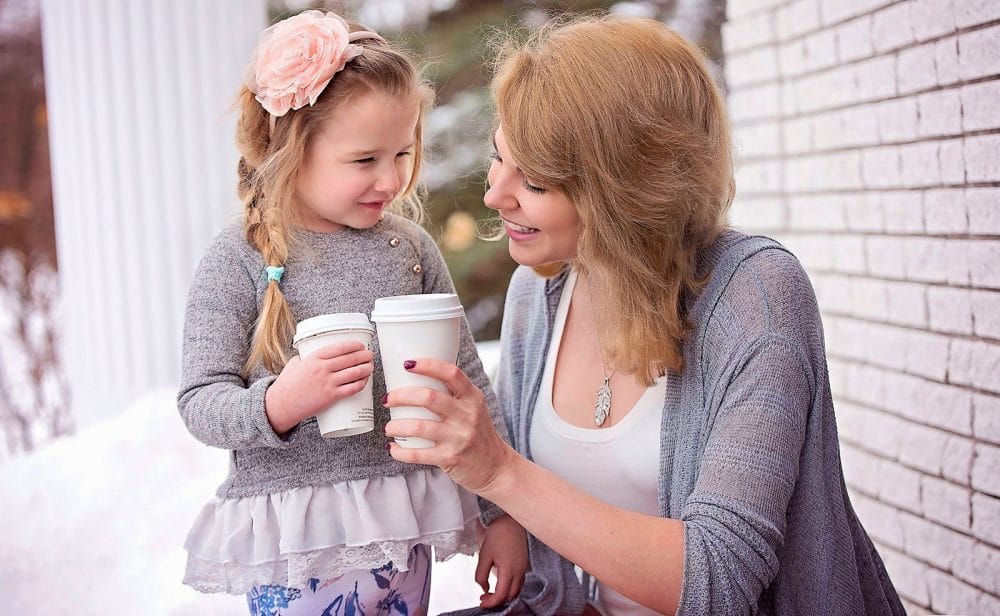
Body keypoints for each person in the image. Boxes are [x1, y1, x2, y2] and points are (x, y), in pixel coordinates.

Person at [383, 14, 906, 616]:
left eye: (536, 181)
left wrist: (501, 472)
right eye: (499, 159)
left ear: (623, 192)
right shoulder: (539, 289)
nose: (496, 194)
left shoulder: (756, 294)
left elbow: (718, 582)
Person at [177, 11, 527, 614]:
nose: (391, 179)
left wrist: (502, 513)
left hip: (397, 525)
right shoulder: (242, 255)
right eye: (365, 160)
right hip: (298, 538)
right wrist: (278, 404)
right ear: (289, 148)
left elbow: (465, 380)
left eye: (402, 153)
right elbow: (199, 401)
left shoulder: (409, 248)